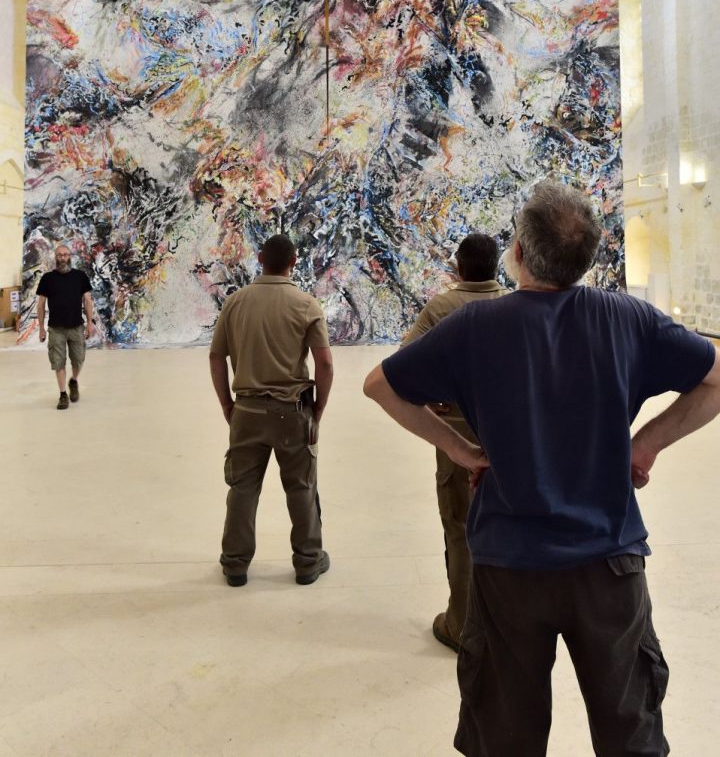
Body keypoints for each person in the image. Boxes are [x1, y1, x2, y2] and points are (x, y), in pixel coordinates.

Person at [364, 180, 720, 757]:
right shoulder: (628, 319)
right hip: (610, 563)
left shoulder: (475, 326)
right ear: (588, 257)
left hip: (509, 566)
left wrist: (460, 449)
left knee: (505, 738)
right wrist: (645, 444)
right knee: (631, 737)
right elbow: (715, 379)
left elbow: (380, 385)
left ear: (520, 254)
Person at [402, 233, 508, 653]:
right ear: (499, 265)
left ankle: (463, 624)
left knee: (462, 529)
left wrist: (435, 395)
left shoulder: (442, 307)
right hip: (516, 433)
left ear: (458, 267)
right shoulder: (518, 304)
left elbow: (401, 367)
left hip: (458, 434)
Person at [209, 233, 334, 587]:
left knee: (243, 489)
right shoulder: (306, 304)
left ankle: (235, 564)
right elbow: (324, 363)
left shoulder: (235, 302)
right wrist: (318, 410)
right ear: (294, 261)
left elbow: (217, 356)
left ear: (260, 257)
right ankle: (308, 561)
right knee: (301, 488)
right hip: (292, 412)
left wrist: (227, 405)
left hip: (246, 411)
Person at [37, 244, 95, 410]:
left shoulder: (80, 276)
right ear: (56, 257)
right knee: (58, 362)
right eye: (60, 255)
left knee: (78, 360)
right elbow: (41, 305)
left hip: (77, 327)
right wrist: (41, 327)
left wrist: (89, 323)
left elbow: (88, 300)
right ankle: (63, 394)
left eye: (66, 255)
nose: (63, 258)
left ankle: (73, 381)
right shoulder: (47, 278)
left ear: (70, 256)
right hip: (56, 329)